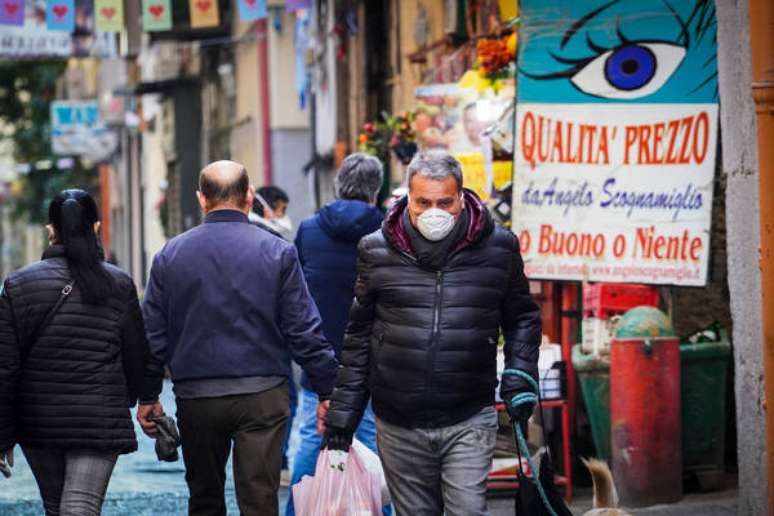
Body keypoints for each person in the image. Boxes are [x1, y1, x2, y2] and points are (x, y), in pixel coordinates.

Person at [321, 150, 542, 516]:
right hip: (398, 421)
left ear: (462, 198)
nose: (433, 212)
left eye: (444, 202)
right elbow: (360, 335)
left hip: (468, 415)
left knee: (468, 510)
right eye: (423, 202)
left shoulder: (499, 247)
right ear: (408, 197)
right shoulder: (376, 250)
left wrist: (521, 374)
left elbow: (523, 318)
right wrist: (344, 415)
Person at [137, 161, 338, 516]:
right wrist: (326, 389)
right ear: (249, 196)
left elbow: (154, 333)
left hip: (198, 395)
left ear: (202, 200)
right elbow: (304, 329)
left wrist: (149, 394)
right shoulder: (278, 251)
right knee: (260, 498)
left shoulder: (170, 255)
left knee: (204, 497)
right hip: (262, 394)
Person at [0, 189, 148, 516]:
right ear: (96, 227)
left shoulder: (18, 284)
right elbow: (137, 355)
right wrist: (140, 399)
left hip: (37, 420)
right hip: (98, 417)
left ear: (50, 230)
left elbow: (6, 368)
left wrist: (3, 433)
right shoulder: (119, 284)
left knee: (57, 508)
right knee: (80, 507)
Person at [286, 153, 387, 516]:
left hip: (322, 358)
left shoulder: (311, 229)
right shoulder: (390, 230)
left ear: (337, 184)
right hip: (377, 357)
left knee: (314, 441)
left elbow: (295, 292)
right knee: (373, 442)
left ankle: (297, 510)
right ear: (376, 190)